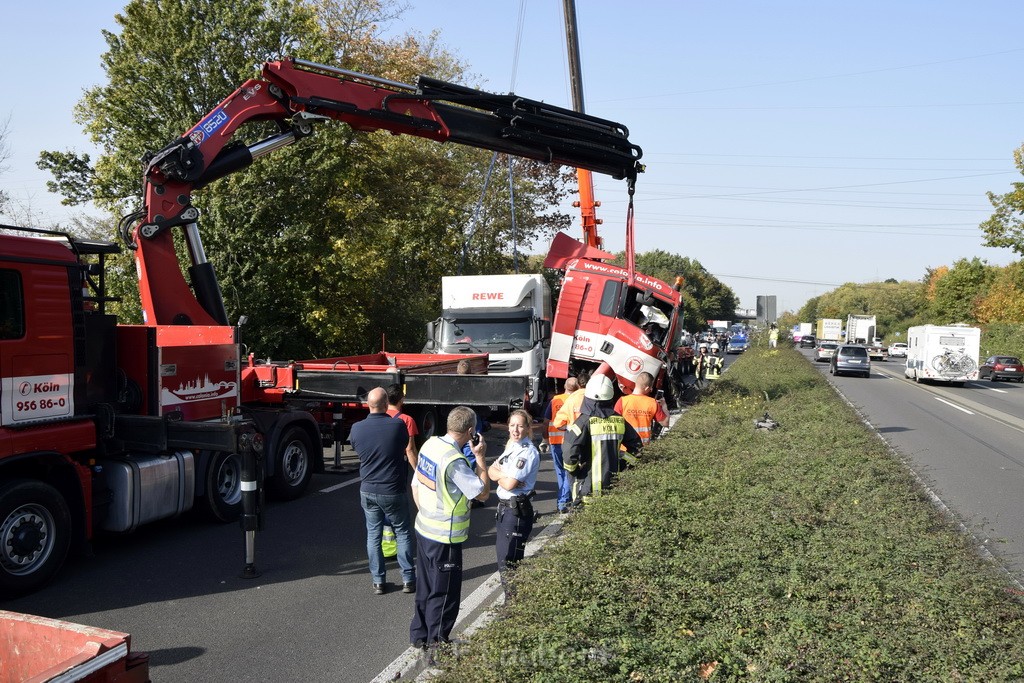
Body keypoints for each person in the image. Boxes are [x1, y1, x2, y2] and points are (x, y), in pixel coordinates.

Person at [409, 406, 490, 649]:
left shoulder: (431, 445)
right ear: (470, 431)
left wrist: (425, 511)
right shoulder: (454, 460)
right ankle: (437, 645)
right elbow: (483, 493)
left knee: (425, 587)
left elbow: (417, 483)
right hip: (445, 536)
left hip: (424, 528)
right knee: (444, 594)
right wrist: (480, 457)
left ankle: (419, 636)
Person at [349, 387, 416, 595]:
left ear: (367, 405)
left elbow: (355, 447)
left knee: (373, 535)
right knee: (403, 532)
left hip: (368, 489)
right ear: (387, 404)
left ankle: (378, 581)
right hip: (393, 489)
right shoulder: (397, 425)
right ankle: (408, 579)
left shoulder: (357, 428)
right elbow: (406, 446)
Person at [563, 362, 642, 507]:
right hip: (615, 488)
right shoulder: (620, 421)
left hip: (587, 491)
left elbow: (569, 453)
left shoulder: (583, 422)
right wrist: (622, 462)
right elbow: (638, 449)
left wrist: (574, 471)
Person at [487, 409, 540, 597]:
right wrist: (503, 476)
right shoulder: (511, 447)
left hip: (515, 512)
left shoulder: (528, 453)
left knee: (510, 564)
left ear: (527, 428)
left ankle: (513, 607)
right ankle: (511, 604)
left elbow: (509, 483)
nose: (515, 430)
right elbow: (490, 470)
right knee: (503, 562)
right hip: (504, 510)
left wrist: (501, 476)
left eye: (519, 426)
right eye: (511, 425)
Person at [541, 377, 578, 513]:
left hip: (555, 442)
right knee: (569, 471)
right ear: (578, 387)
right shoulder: (577, 401)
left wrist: (545, 439)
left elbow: (545, 422)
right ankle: (564, 501)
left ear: (565, 386)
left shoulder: (555, 400)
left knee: (560, 472)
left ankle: (562, 500)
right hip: (571, 442)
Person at [614, 371, 670, 446]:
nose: (651, 389)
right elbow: (665, 423)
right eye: (650, 387)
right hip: (643, 448)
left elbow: (614, 423)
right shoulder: (652, 403)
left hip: (624, 449)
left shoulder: (622, 401)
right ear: (647, 388)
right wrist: (664, 406)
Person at [386, 384, 418, 470]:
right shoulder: (407, 420)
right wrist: (418, 473)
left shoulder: (378, 416)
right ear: (402, 400)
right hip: (397, 465)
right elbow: (410, 449)